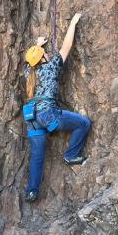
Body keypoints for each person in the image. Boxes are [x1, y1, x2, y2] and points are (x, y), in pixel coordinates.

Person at [23, 13, 92, 202]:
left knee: (37, 157)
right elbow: (66, 47)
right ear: (44, 59)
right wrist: (73, 23)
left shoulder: (28, 72)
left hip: (31, 119)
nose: (47, 54)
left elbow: (32, 61)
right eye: (44, 54)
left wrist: (38, 45)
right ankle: (71, 155)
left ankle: (32, 191)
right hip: (48, 115)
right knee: (84, 123)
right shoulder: (51, 67)